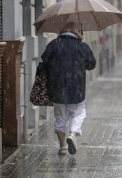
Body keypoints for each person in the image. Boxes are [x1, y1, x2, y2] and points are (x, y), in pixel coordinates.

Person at [41, 22, 96, 155]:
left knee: (60, 117)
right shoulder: (82, 46)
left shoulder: (53, 44)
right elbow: (91, 64)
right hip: (76, 88)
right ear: (76, 31)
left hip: (57, 87)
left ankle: (63, 147)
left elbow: (45, 61)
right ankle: (72, 134)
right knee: (78, 113)